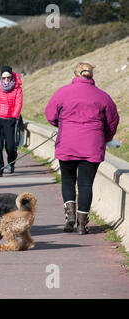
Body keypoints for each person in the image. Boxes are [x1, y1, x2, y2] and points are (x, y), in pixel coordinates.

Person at [45, 62, 119, 234]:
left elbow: (50, 115)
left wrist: (62, 125)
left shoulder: (62, 92)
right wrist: (105, 137)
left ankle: (69, 214)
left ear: (75, 75)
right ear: (91, 75)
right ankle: (81, 224)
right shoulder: (102, 96)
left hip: (67, 143)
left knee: (68, 180)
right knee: (86, 184)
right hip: (92, 145)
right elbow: (113, 121)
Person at [0, 66, 23, 177]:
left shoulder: (17, 88)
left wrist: (14, 117)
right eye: (4, 78)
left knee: (10, 147)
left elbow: (18, 103)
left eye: (8, 78)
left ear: (12, 77)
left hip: (10, 120)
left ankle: (11, 162)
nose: (6, 80)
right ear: (1, 78)